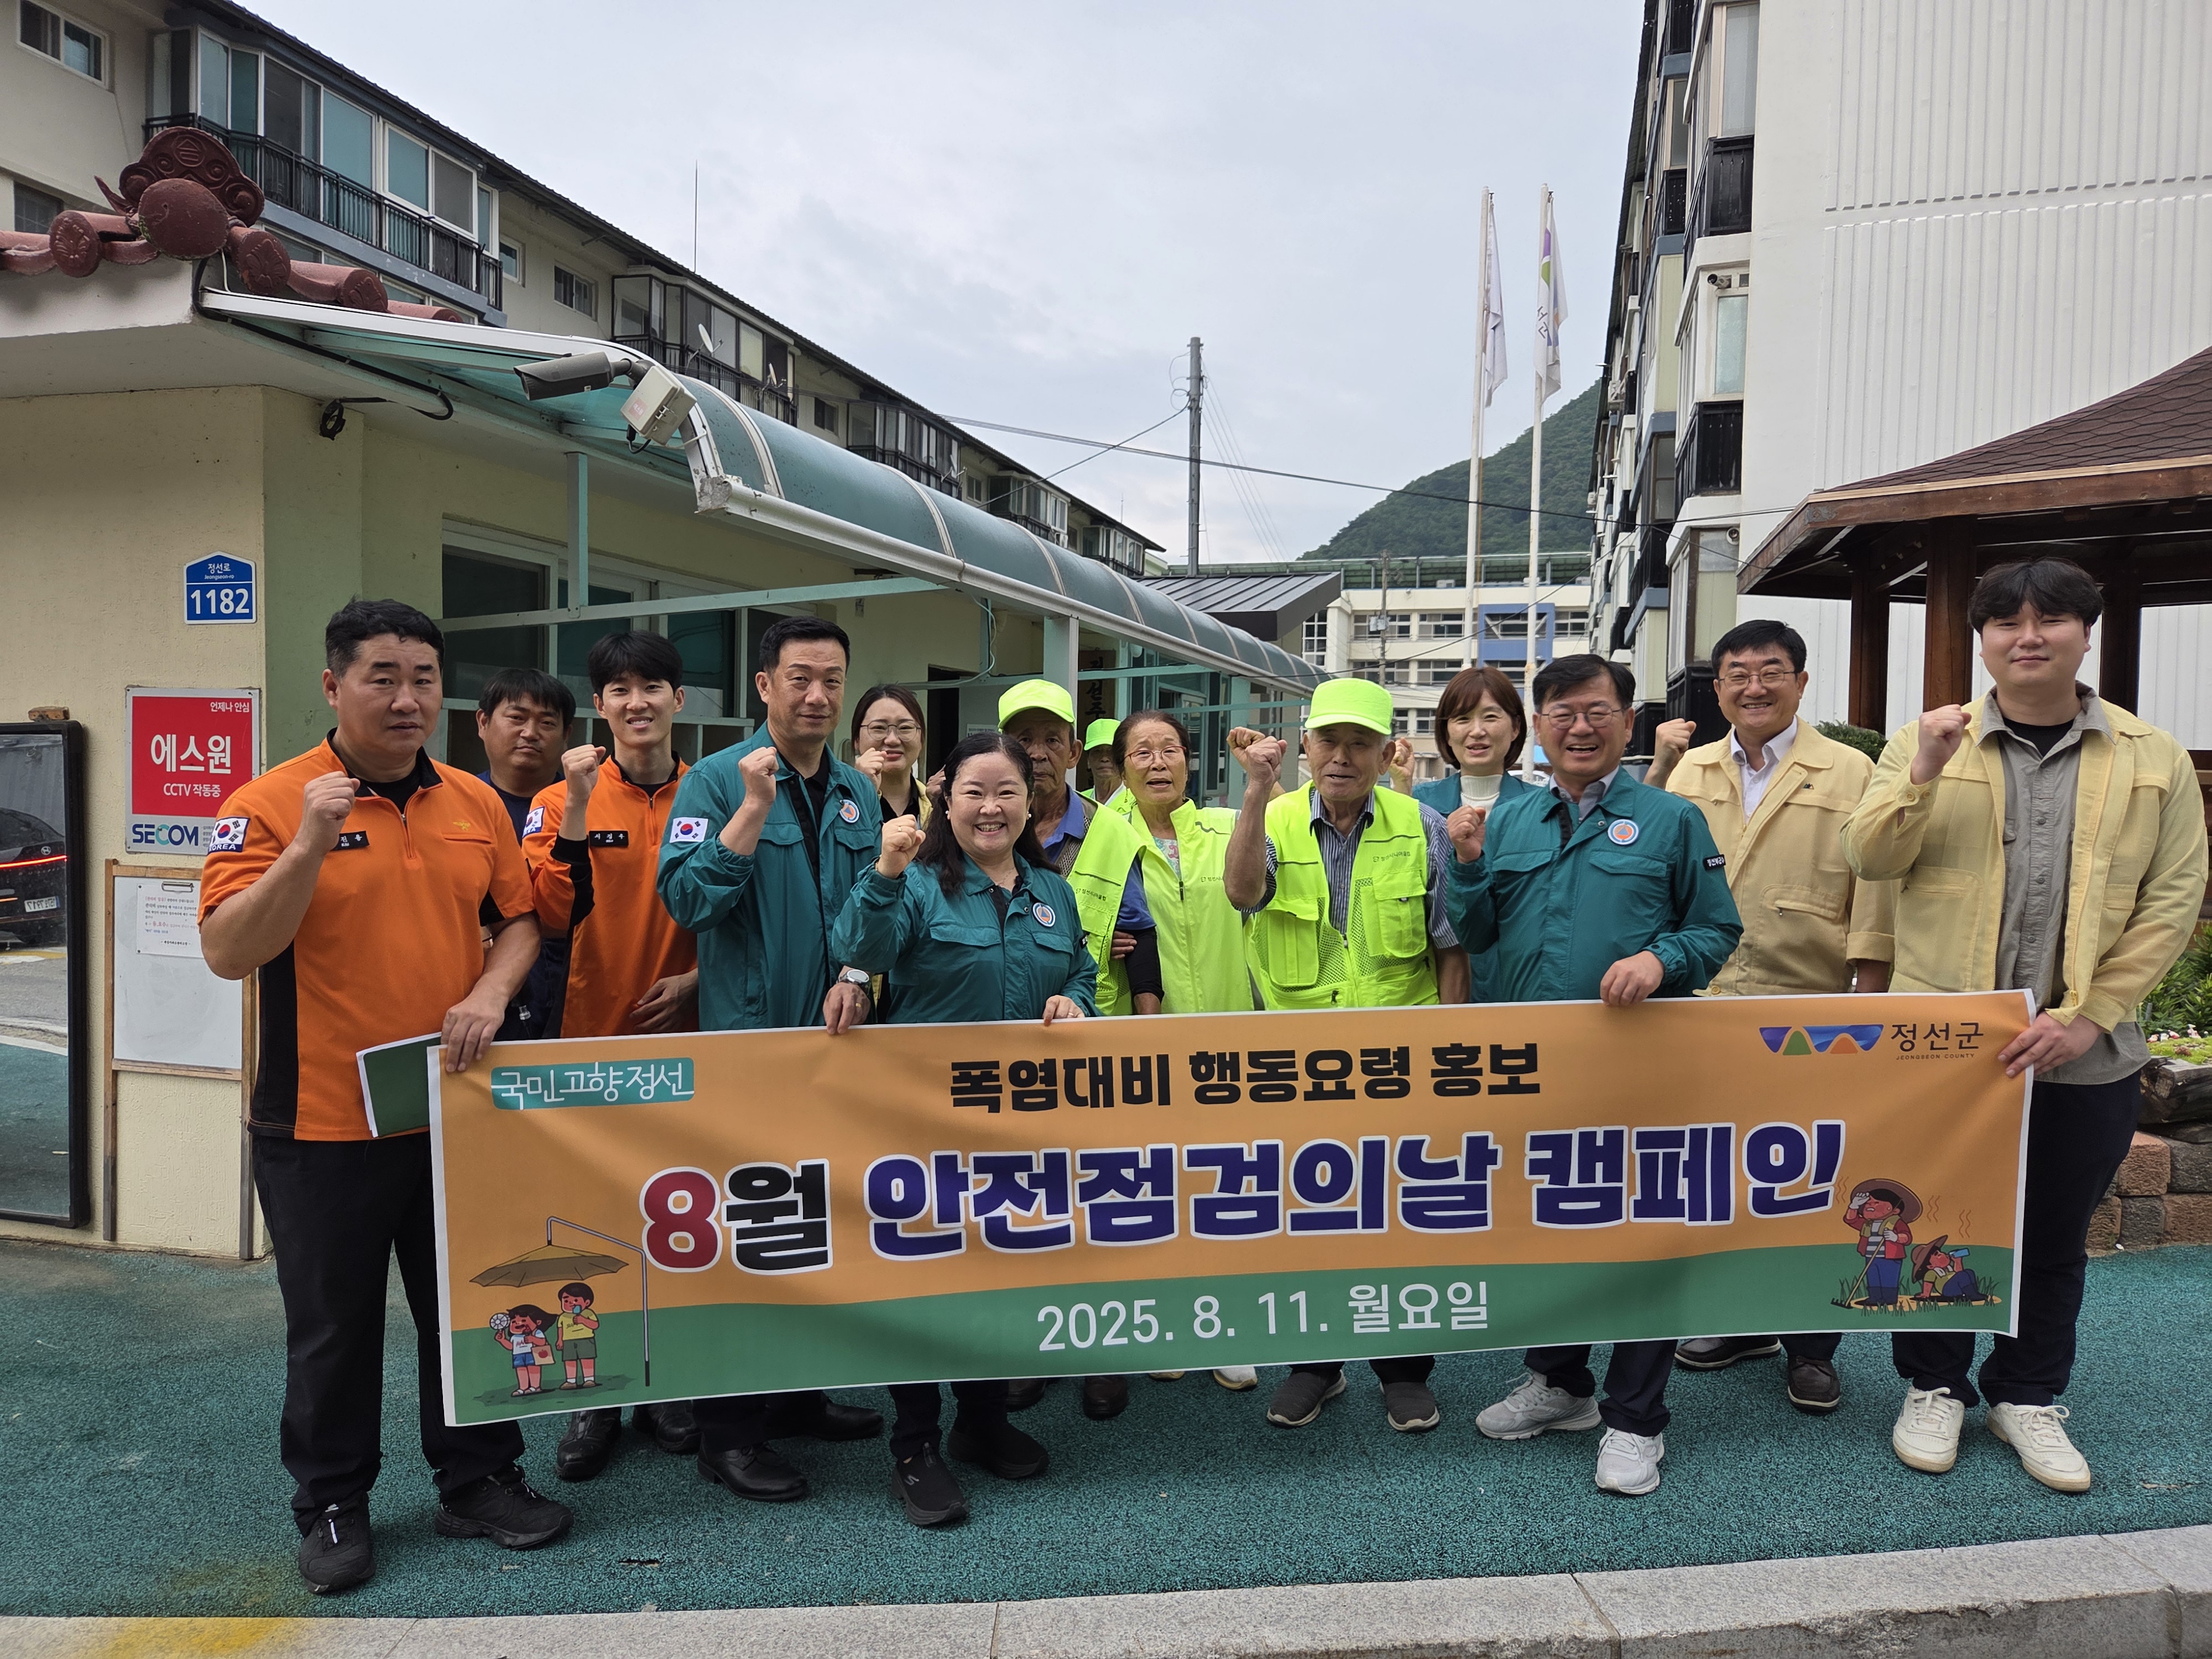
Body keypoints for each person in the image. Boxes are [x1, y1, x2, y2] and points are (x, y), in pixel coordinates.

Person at [198, 599, 572, 1595]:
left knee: (471, 1305)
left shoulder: (474, 802)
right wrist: (308, 845)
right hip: (320, 1120)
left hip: (451, 1111)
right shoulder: (270, 803)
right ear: (334, 687)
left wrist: (490, 993)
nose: (407, 699)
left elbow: (520, 921)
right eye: (383, 678)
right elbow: (229, 949)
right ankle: (332, 1504)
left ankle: (479, 1479)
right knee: (335, 1327)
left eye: (423, 679)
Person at [1843, 556, 2207, 1494]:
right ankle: (1934, 1385)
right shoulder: (1929, 739)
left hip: (2084, 1054)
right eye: (2007, 621)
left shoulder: (2151, 756)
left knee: (2052, 1234)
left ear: (2087, 634)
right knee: (1932, 1220)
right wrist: (1922, 772)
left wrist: (2091, 1018)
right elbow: (1868, 857)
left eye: (2052, 620)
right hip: (1945, 1050)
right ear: (1983, 641)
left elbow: (2171, 901)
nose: (2029, 637)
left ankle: (2029, 1393)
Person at [1445, 653, 1742, 1496]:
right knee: (1551, 1231)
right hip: (1535, 1075)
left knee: (1643, 1239)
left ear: (1627, 721)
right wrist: (1466, 865)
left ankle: (1636, 1419)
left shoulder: (1670, 819)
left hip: (1639, 1072)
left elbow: (1717, 930)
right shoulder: (1507, 819)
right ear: (1538, 727)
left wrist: (1661, 959)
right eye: (1563, 713)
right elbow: (1480, 935)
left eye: (1598, 712)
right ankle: (1561, 1382)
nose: (1580, 728)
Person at [828, 732, 1091, 1526]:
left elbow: (1080, 968)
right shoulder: (915, 883)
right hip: (922, 1129)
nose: (991, 807)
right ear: (946, 800)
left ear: (1030, 803)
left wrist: (1076, 1000)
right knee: (922, 1285)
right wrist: (884, 870)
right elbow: (859, 949)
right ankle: (915, 1445)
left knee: (998, 1276)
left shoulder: (1053, 893)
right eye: (974, 791)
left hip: (1019, 1132)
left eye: (1007, 791)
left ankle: (981, 1420)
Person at [657, 615, 886, 1502]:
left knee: (815, 1227)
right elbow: (687, 903)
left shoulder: (859, 791)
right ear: (764, 686)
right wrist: (751, 811)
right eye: (799, 678)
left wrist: (858, 973)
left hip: (836, 1050)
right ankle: (729, 1433)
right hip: (749, 1050)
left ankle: (798, 1396)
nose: (817, 696)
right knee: (749, 1237)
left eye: (832, 680)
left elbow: (876, 906)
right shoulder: (716, 780)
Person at [1642, 618, 1895, 1415]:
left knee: (1811, 1182)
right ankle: (1737, 1322)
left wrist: (1870, 993)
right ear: (1718, 690)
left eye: (1771, 671)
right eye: (1738, 675)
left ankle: (1812, 1346)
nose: (1754, 687)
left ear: (1801, 681)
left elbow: (1876, 890)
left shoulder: (1852, 770)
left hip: (1806, 1011)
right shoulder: (1690, 772)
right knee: (1716, 1177)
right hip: (1700, 1009)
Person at [1223, 676, 1471, 1434]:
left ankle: (1404, 1372)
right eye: (1328, 741)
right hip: (1298, 1067)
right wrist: (1254, 793)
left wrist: (1451, 1058)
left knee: (1402, 1219)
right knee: (1310, 1217)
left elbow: (1450, 948)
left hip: (1401, 1063)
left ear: (1387, 753)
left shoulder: (1421, 825)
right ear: (1304, 746)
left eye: (1360, 743)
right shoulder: (1272, 816)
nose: (1342, 756)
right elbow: (1241, 894)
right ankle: (1316, 1365)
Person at [527, 631, 702, 1482]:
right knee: (588, 1229)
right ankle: (593, 1398)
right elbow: (547, 913)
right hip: (586, 1048)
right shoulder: (561, 797)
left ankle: (667, 1384)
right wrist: (575, 801)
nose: (638, 703)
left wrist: (699, 981)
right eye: (620, 690)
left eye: (653, 687)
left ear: (679, 700)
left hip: (687, 1050)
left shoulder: (709, 791)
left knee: (676, 1221)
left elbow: (745, 909)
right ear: (599, 706)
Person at [998, 680, 1162, 1421]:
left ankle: (1103, 1354)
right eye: (1021, 738)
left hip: (1095, 1049)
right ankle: (1030, 1349)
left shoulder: (1111, 831)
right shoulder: (973, 817)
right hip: (1001, 1053)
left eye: (1049, 739)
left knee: (1101, 1203)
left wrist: (1146, 1040)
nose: (1035, 752)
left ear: (1073, 751)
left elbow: (1141, 938)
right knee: (1020, 1204)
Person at [1103, 709, 1262, 1392]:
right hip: (1143, 1037)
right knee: (1151, 1184)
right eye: (1141, 752)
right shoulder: (1102, 836)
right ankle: (1164, 1322)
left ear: (1189, 761)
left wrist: (1259, 783)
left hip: (1227, 1035)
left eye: (1169, 749)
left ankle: (1227, 1327)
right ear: (1120, 767)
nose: (1158, 762)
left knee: (1226, 1183)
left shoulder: (1226, 826)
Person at [1412, 665, 1538, 1003]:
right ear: (1446, 732)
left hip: (1517, 989)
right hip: (1433, 987)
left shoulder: (1542, 809)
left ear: (1516, 727)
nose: (1477, 731)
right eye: (1462, 719)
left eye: (1491, 717)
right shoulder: (1418, 806)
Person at [474, 668, 575, 1042]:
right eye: (517, 718)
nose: (531, 733)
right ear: (483, 723)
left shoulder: (586, 806)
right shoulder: (457, 805)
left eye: (547, 723)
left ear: (566, 735)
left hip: (576, 982)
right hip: (480, 989)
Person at [850, 684, 930, 823]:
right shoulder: (835, 803)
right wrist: (862, 793)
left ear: (922, 739)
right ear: (857, 739)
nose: (893, 740)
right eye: (879, 728)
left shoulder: (938, 806)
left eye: (905, 728)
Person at [1082, 717, 1123, 802]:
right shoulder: (1079, 801)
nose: (1104, 758)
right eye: (1097, 751)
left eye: (1111, 751)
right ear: (1088, 761)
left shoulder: (1139, 802)